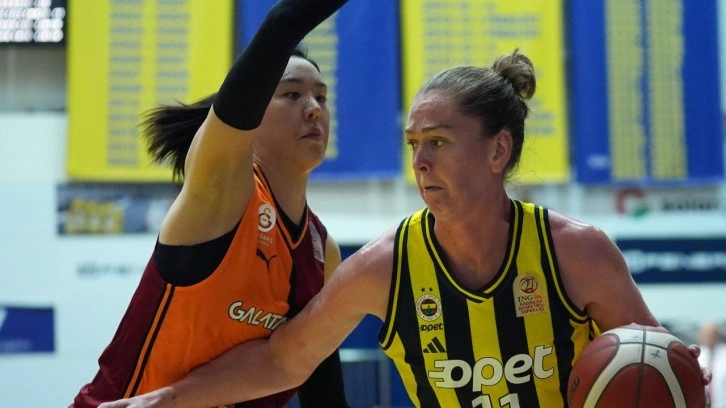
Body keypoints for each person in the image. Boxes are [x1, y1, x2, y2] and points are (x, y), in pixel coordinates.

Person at [98, 50, 708, 408]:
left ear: (498, 151)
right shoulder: (384, 266)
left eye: (438, 142)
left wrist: (685, 374)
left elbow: (658, 368)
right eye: (414, 143)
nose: (420, 161)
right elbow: (284, 360)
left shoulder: (577, 252)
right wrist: (162, 399)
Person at [70, 0, 350, 407]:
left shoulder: (323, 251)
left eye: (321, 97)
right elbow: (281, 25)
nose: (313, 109)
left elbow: (324, 390)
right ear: (251, 114)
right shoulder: (222, 191)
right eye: (292, 94)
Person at [699, 322, 726, 407]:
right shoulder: (697, 356)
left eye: (712, 334)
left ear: (718, 335)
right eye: (706, 334)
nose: (709, 337)